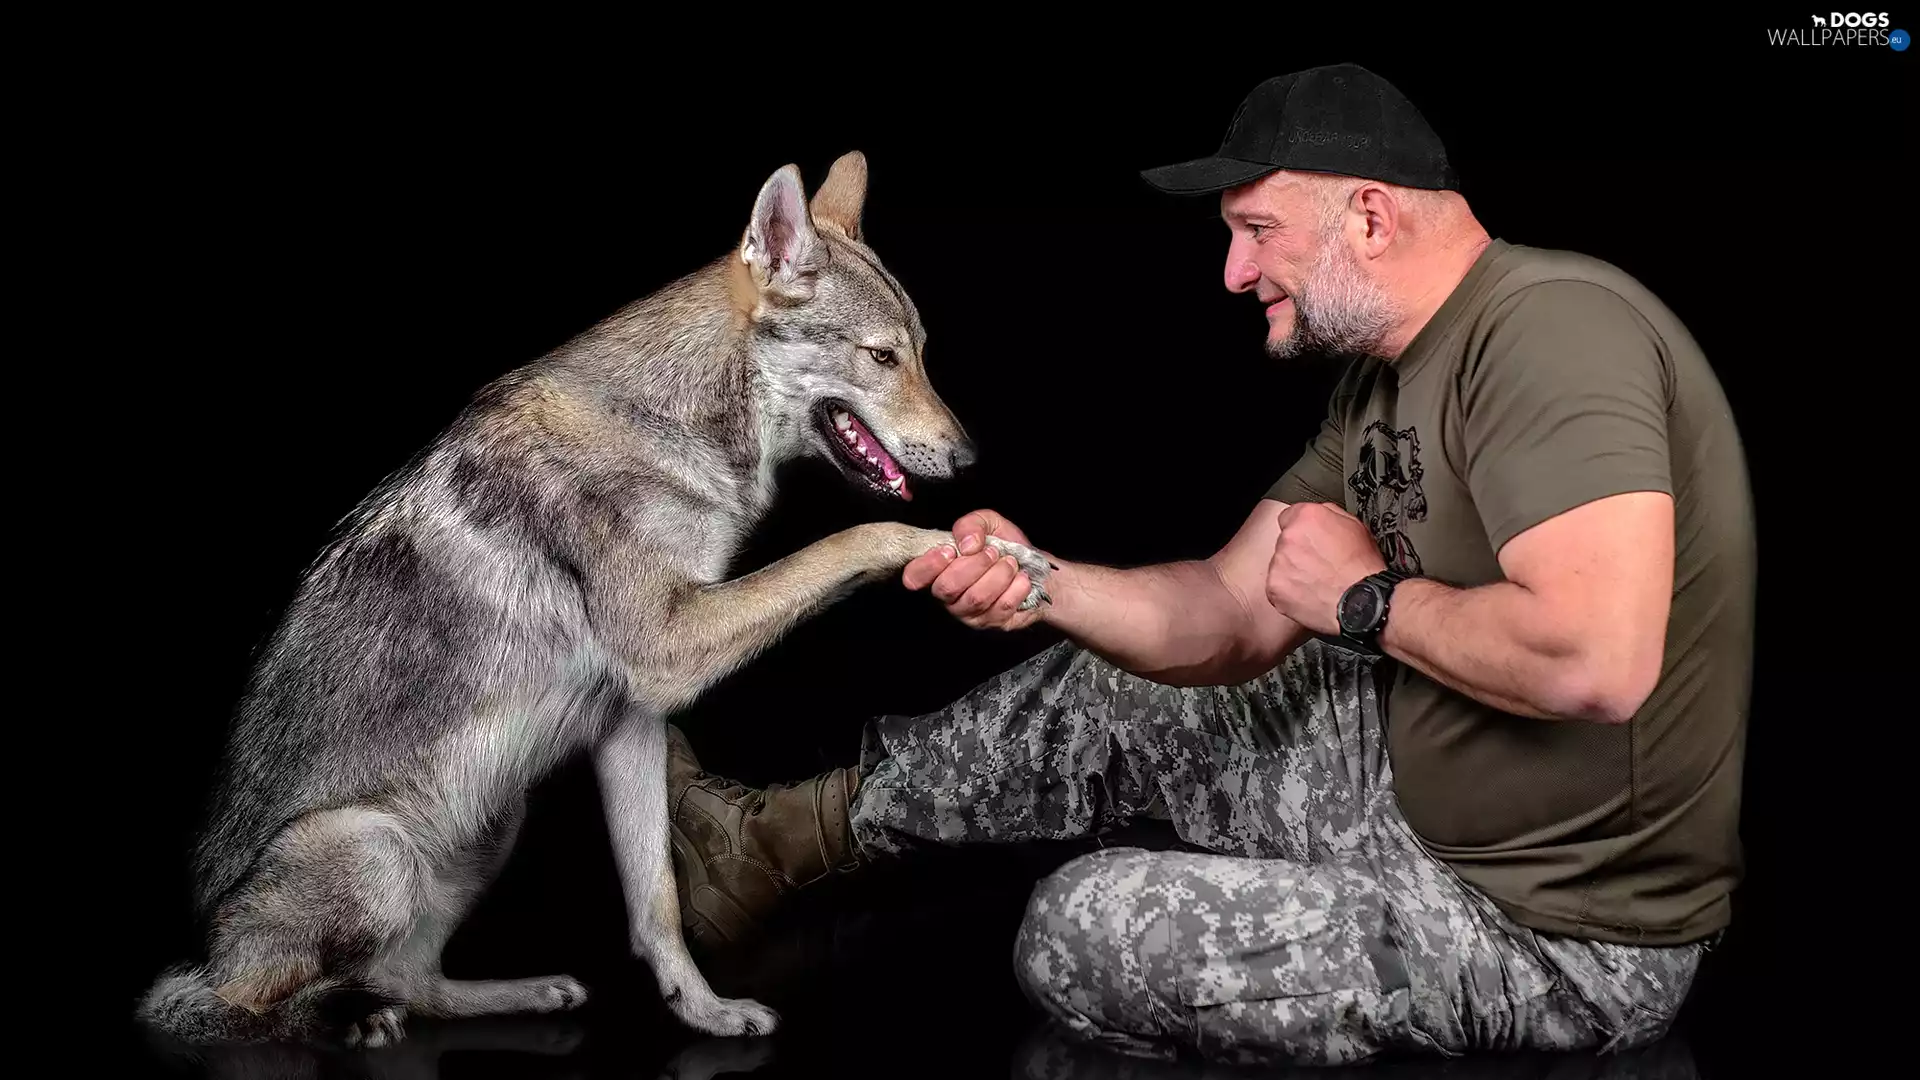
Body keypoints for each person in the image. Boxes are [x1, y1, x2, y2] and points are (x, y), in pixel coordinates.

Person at [662, 63, 1755, 1067]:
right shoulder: (1386, 381)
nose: (1234, 272)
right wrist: (1036, 576)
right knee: (1125, 677)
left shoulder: (1554, 329)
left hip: (1558, 933)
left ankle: (1277, 900)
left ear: (1368, 215)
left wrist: (1364, 601)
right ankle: (771, 846)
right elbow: (1228, 611)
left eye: (1257, 230)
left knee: (1079, 929)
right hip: (1417, 802)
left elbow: (1596, 665)